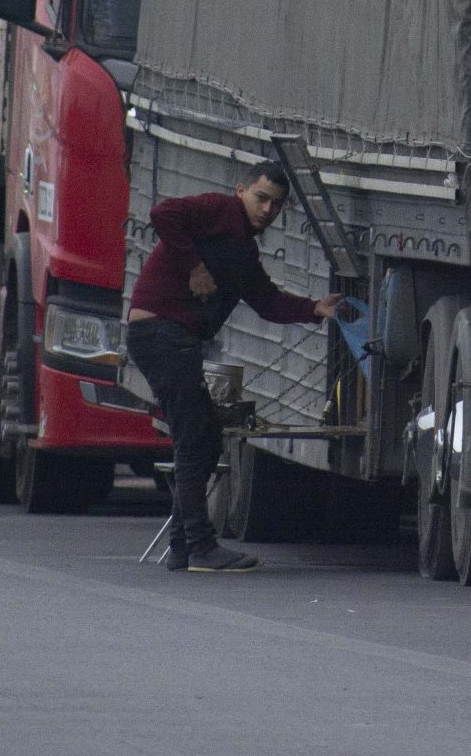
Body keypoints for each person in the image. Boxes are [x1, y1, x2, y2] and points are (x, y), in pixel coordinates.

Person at [128, 162, 337, 572]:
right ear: (241, 190)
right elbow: (161, 214)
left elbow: (267, 301)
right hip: (160, 332)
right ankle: (200, 547)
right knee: (194, 437)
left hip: (174, 338)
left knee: (204, 437)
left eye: (276, 206)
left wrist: (314, 309)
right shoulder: (218, 210)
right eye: (260, 198)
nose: (266, 211)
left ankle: (184, 545)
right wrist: (195, 268)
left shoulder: (244, 250)